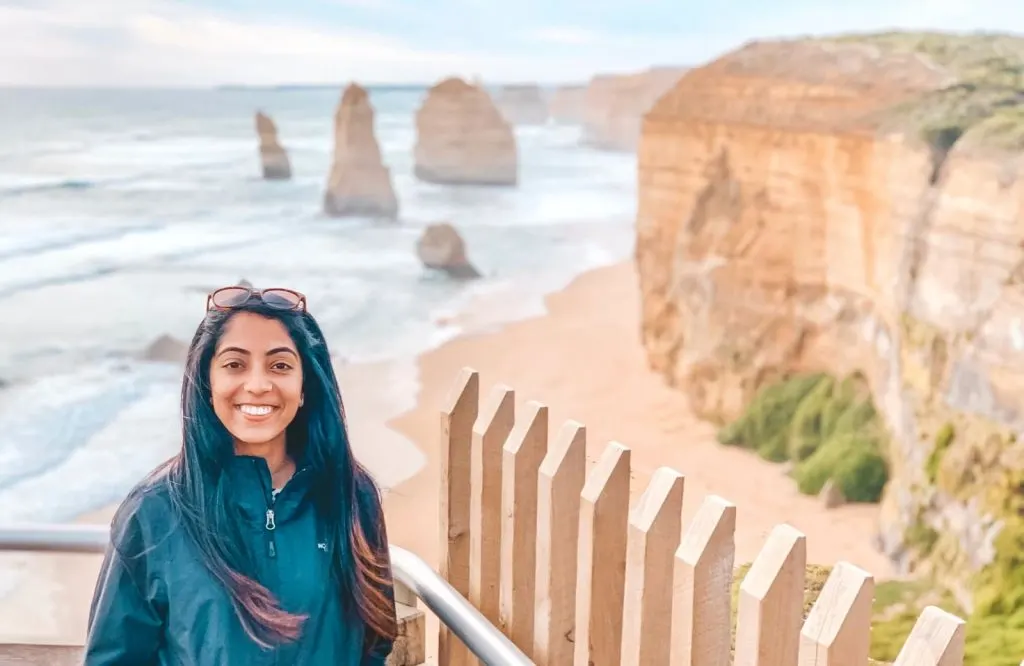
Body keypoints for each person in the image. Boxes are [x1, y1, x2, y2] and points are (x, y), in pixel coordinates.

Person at [83, 285, 398, 665]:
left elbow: (374, 642)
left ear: (304, 387)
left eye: (280, 365)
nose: (258, 385)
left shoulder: (350, 495)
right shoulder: (154, 512)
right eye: (235, 364)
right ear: (207, 382)